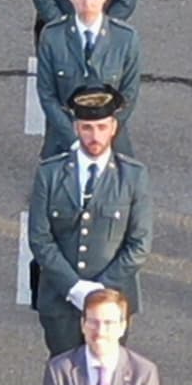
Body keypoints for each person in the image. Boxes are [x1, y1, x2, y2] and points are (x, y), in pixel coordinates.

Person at [26, 89, 151, 354]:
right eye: (87, 127)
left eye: (102, 127)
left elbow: (139, 243)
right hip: (61, 298)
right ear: (75, 127)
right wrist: (74, 287)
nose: (95, 136)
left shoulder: (132, 176)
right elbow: (40, 237)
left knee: (107, 378)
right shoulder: (50, 173)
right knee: (63, 376)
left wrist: (100, 290)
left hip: (113, 300)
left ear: (114, 127)